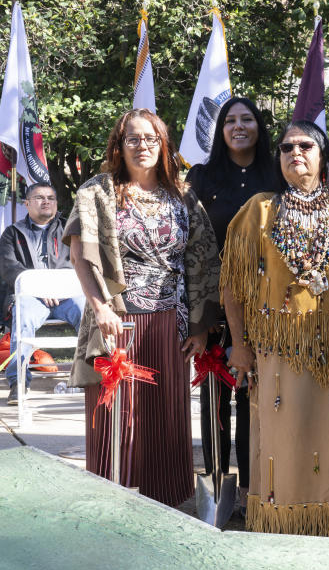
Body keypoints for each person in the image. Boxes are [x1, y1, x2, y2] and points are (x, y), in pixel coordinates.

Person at [220, 120, 329, 536]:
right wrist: (239, 345)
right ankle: (274, 531)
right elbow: (232, 288)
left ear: (323, 155)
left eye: (305, 145)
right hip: (274, 353)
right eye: (286, 147)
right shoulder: (258, 210)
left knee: (324, 448)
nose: (295, 152)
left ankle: (319, 530)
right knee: (276, 447)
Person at [65, 109, 218, 506]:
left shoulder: (182, 194)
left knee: (165, 418)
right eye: (132, 138)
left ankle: (166, 504)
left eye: (150, 138)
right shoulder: (96, 192)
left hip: (170, 321)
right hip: (117, 320)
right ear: (119, 146)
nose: (142, 146)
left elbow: (203, 257)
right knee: (118, 419)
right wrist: (100, 308)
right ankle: (113, 503)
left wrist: (200, 326)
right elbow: (80, 257)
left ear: (162, 144)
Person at [186, 96, 280, 507]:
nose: (239, 126)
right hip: (214, 306)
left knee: (255, 397)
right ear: (220, 130)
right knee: (216, 398)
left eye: (247, 119)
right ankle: (215, 484)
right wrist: (199, 317)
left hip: (267, 306)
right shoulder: (203, 177)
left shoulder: (278, 173)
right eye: (230, 120)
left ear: (259, 127)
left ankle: (249, 488)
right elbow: (189, 246)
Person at [2, 182, 83, 404]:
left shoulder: (70, 231)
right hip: (31, 298)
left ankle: (87, 376)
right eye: (39, 197)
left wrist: (59, 288)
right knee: (23, 314)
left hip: (66, 297)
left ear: (56, 204)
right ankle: (19, 382)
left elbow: (80, 265)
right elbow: (9, 268)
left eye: (50, 197)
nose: (45, 201)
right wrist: (39, 288)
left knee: (86, 308)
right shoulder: (12, 233)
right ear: (27, 204)